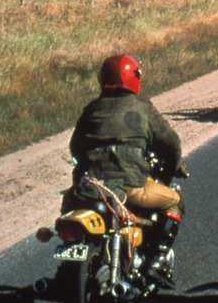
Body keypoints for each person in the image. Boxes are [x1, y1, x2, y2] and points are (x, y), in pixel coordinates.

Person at [68, 55, 187, 289]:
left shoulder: (92, 108)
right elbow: (171, 143)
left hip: (89, 186)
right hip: (129, 186)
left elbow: (75, 146)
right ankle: (158, 260)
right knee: (174, 200)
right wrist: (173, 167)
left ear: (102, 79)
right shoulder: (142, 107)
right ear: (135, 78)